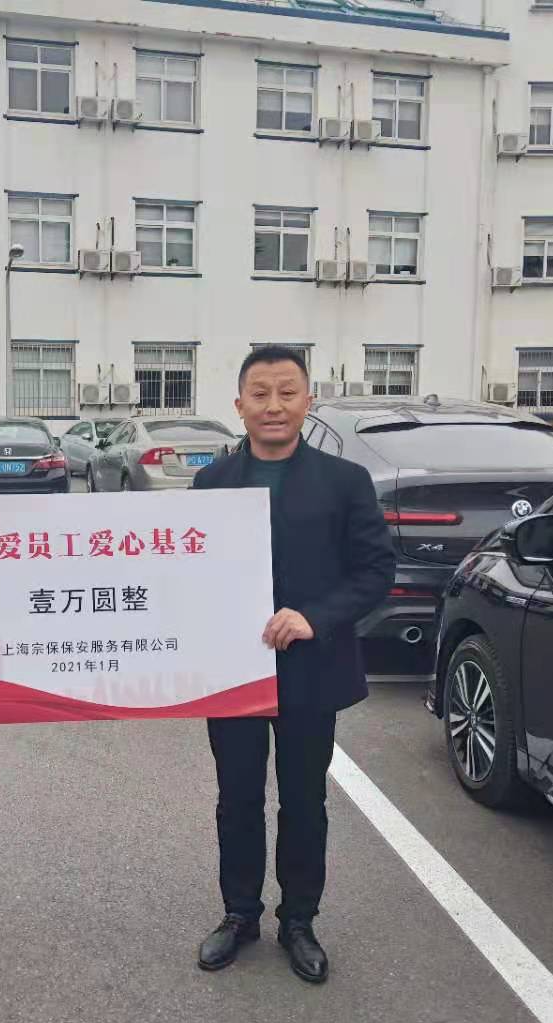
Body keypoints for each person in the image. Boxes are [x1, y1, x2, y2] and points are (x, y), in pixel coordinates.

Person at [190, 345, 395, 984]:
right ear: (239, 405)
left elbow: (375, 572)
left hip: (311, 667)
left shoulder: (344, 481)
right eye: (260, 394)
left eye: (286, 392)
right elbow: (184, 575)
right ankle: (239, 914)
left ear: (308, 401)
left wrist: (315, 616)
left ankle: (299, 920)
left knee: (304, 800)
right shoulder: (211, 483)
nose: (273, 406)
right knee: (237, 798)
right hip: (233, 670)